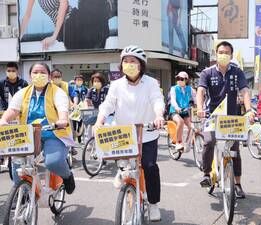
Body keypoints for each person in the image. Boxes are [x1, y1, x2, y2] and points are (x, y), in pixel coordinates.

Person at [93, 45, 165, 221]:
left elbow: (157, 100)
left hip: (147, 133)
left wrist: (158, 115)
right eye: (125, 61)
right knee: (125, 164)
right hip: (124, 134)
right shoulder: (116, 85)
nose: (129, 64)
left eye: (133, 61)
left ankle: (154, 204)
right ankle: (122, 170)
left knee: (149, 166)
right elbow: (108, 104)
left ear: (141, 64)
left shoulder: (151, 83)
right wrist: (99, 120)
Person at [0, 62, 75, 193]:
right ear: (30, 76)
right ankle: (22, 194)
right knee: (17, 162)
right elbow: (13, 110)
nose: (38, 75)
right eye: (35, 72)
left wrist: (62, 119)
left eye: (42, 72)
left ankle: (67, 176)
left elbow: (63, 109)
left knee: (53, 162)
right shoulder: (23, 93)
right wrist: (4, 120)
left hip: (53, 133)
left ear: (49, 76)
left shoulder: (58, 92)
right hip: (29, 134)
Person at [197, 41, 255, 198]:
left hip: (231, 118)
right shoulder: (207, 73)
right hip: (211, 117)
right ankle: (206, 174)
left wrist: (249, 110)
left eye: (227, 52)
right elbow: (201, 92)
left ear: (231, 55)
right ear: (216, 54)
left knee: (235, 150)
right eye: (220, 52)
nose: (223, 55)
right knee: (209, 142)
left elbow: (245, 91)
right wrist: (200, 108)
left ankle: (237, 184)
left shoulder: (237, 72)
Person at [169, 71, 196, 152]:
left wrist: (199, 107)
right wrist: (176, 107)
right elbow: (173, 99)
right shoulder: (173, 88)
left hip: (185, 111)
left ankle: (187, 143)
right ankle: (178, 142)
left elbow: (195, 98)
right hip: (175, 111)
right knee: (180, 122)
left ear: (186, 80)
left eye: (181, 79)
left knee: (191, 127)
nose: (179, 80)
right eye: (178, 78)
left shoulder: (190, 89)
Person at [71, 74, 88, 143]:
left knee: (81, 124)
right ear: (75, 81)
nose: (79, 81)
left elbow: (87, 98)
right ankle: (74, 139)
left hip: (82, 109)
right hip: (74, 109)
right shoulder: (72, 88)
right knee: (74, 124)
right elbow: (71, 97)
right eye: (78, 80)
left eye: (80, 80)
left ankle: (79, 138)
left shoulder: (85, 89)